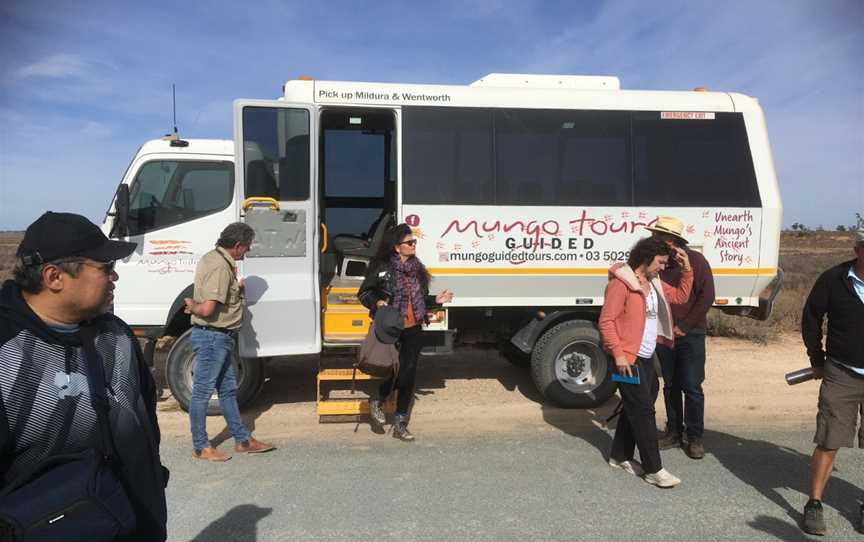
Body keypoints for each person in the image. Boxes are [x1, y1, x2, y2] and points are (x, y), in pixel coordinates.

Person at [0, 212, 168, 540]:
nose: (114, 278)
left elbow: (145, 421)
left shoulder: (117, 336)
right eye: (106, 269)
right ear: (54, 277)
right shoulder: (7, 353)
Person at [599, 236, 693, 488]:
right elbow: (606, 321)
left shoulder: (654, 283)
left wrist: (686, 268)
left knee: (642, 399)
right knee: (643, 410)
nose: (663, 267)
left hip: (645, 356)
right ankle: (654, 469)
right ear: (646, 258)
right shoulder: (621, 285)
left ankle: (619, 456)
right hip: (626, 360)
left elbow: (682, 296)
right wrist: (618, 355)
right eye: (660, 262)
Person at [183, 223, 274, 461]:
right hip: (214, 336)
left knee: (227, 391)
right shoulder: (220, 268)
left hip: (219, 337)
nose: (247, 252)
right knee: (203, 392)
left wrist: (237, 289)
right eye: (247, 247)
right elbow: (208, 307)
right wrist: (194, 307)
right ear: (237, 245)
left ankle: (243, 440)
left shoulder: (214, 260)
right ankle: (201, 446)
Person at [358, 223, 453, 441]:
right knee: (391, 368)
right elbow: (364, 294)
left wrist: (436, 301)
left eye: (414, 242)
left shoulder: (418, 271)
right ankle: (378, 400)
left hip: (414, 327)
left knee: (408, 375)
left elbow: (420, 301)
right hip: (390, 328)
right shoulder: (382, 268)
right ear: (396, 247)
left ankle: (400, 422)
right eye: (409, 242)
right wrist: (378, 302)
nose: (413, 245)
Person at [799, 228, 864, 536]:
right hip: (841, 373)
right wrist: (817, 357)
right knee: (829, 440)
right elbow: (811, 316)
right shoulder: (834, 279)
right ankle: (814, 504)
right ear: (857, 248)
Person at [648, 216, 715, 459]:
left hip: (691, 334)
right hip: (664, 334)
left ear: (673, 239)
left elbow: (706, 297)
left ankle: (695, 437)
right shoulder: (657, 263)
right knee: (671, 385)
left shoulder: (696, 261)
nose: (654, 239)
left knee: (692, 386)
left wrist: (685, 326)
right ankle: (674, 432)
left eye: (659, 235)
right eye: (654, 235)